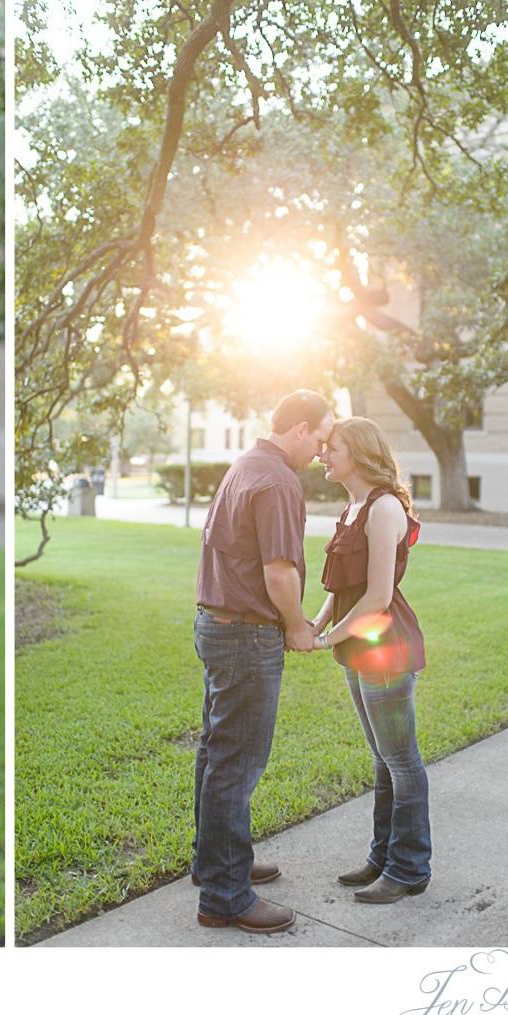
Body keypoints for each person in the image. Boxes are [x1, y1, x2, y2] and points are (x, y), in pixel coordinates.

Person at [190, 389, 333, 935]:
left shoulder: (246, 464)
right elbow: (279, 571)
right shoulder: (277, 480)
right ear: (298, 429)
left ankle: (216, 863)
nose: (321, 451)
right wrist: (297, 627)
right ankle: (225, 897)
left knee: (216, 752)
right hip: (247, 636)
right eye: (320, 438)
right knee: (236, 762)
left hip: (216, 625)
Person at [311, 417, 430, 904]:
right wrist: (314, 626)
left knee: (401, 761)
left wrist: (326, 639)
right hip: (358, 644)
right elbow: (343, 588)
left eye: (331, 447)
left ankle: (409, 867)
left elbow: (378, 596)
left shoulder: (382, 508)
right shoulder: (353, 505)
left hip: (384, 645)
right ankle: (382, 857)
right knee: (383, 758)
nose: (322, 454)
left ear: (358, 452)